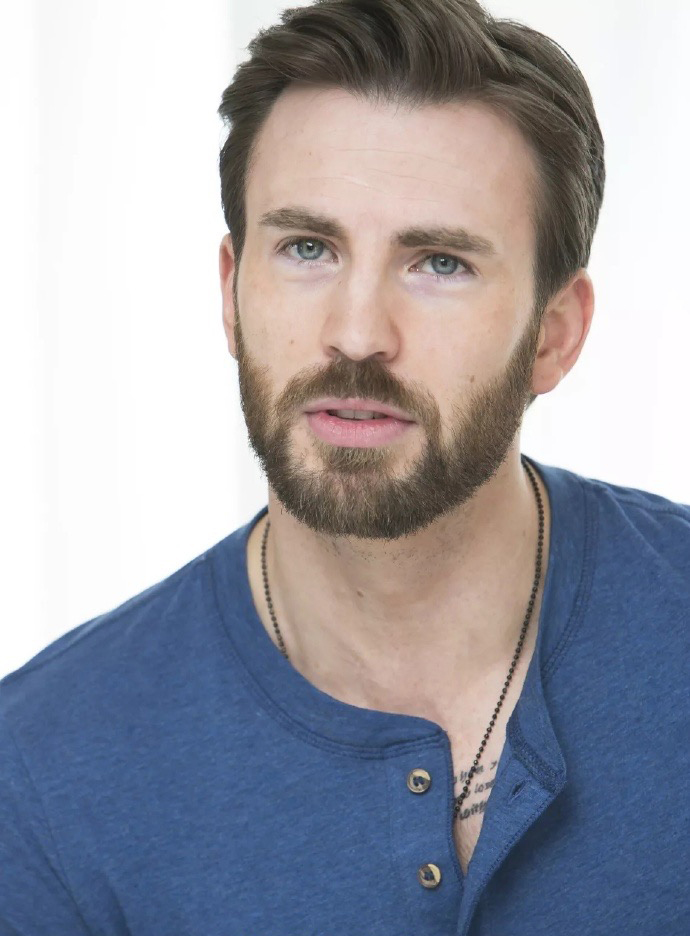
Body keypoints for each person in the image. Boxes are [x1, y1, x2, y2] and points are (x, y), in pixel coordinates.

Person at [1, 0, 688, 932]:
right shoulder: (41, 770)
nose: (357, 334)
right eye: (307, 249)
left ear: (554, 335)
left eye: (438, 263)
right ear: (232, 295)